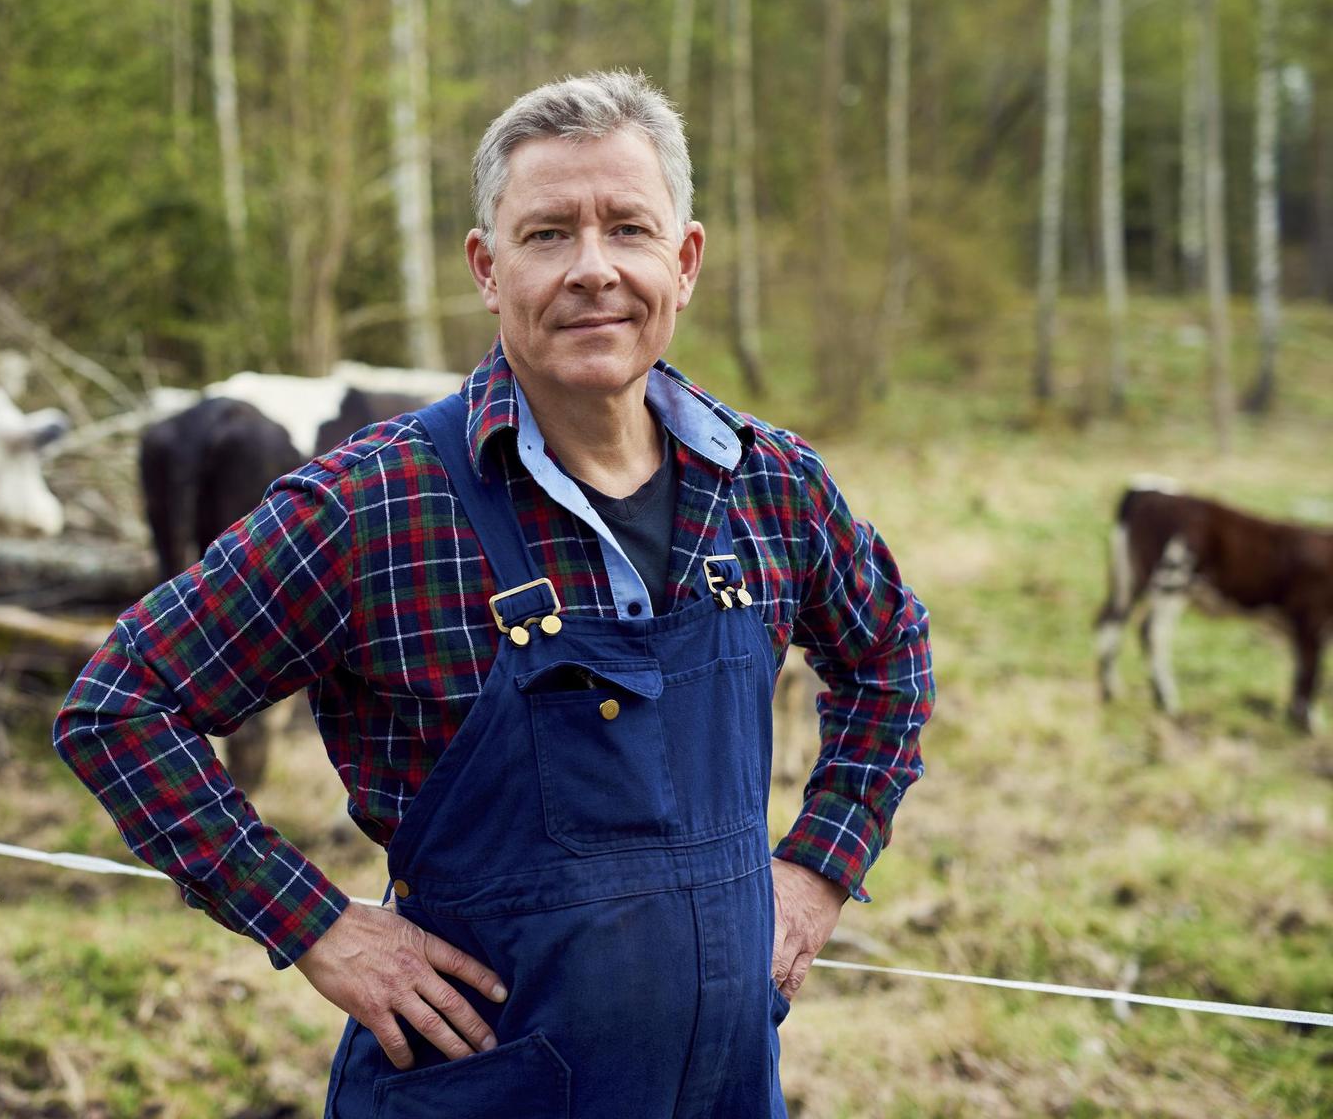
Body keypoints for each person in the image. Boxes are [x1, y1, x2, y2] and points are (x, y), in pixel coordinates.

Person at [53, 70, 933, 1116]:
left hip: (725, 1089)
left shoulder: (770, 486)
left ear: (684, 261)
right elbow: (120, 707)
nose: (591, 270)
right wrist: (317, 928)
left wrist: (818, 870)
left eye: (627, 229)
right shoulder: (372, 505)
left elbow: (889, 653)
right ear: (486, 266)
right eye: (547, 233)